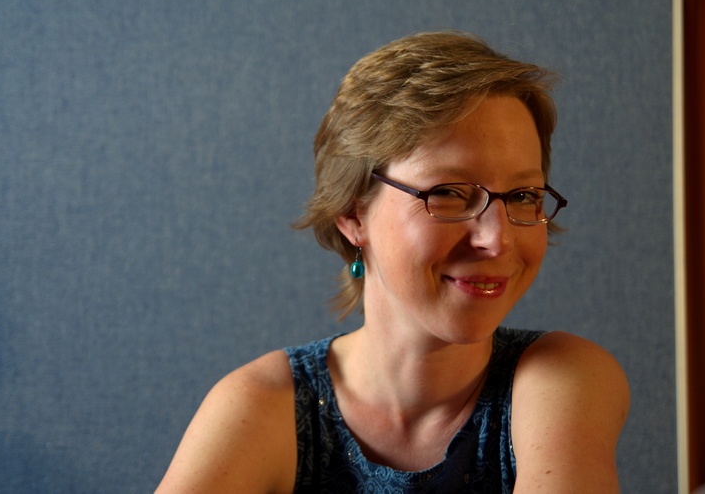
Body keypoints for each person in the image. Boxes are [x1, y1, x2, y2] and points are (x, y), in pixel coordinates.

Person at [155, 31, 630, 493]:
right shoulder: (266, 405)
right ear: (352, 214)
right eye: (448, 192)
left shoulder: (564, 377)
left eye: (523, 195)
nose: (496, 239)